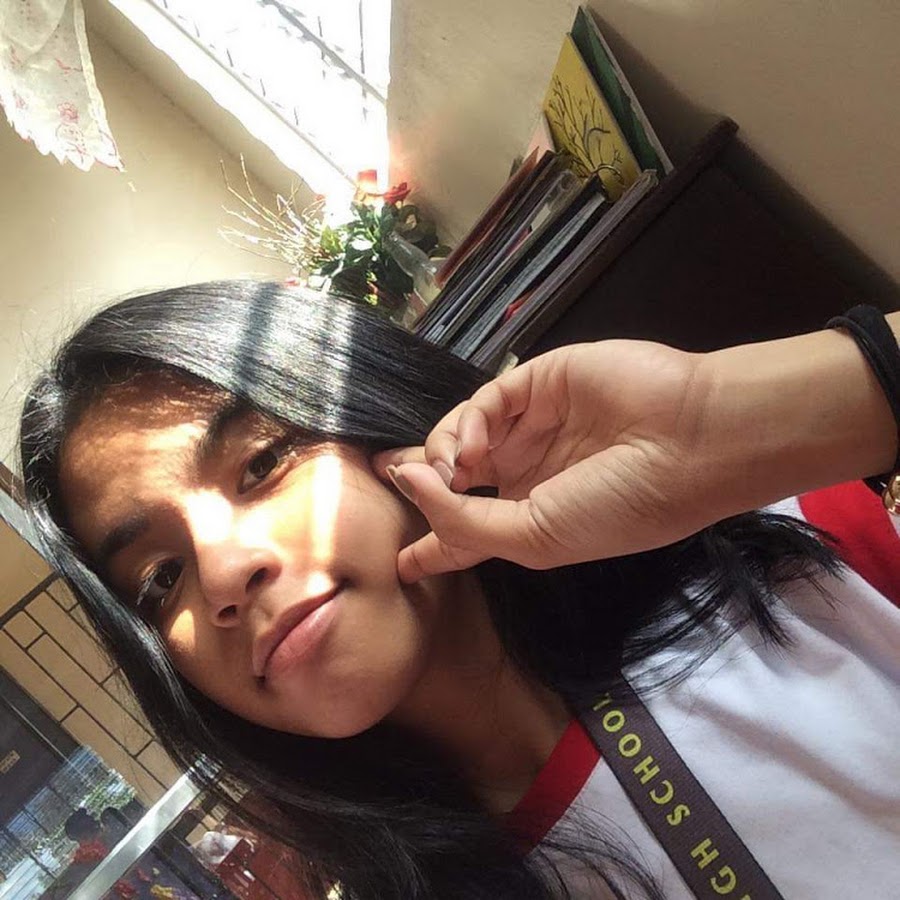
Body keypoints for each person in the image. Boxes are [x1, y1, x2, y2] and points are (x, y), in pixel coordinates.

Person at [18, 281, 900, 900]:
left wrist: (724, 415)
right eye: (159, 578)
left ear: (373, 414)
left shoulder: (807, 567)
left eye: (261, 464)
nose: (222, 574)